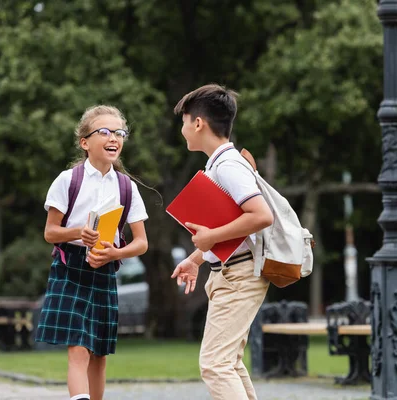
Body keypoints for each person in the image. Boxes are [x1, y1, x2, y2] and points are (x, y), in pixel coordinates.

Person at [36, 105, 149, 400]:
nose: (114, 137)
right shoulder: (67, 181)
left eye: (119, 132)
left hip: (104, 268)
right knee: (78, 346)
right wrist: (78, 233)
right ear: (85, 142)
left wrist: (114, 254)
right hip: (70, 268)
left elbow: (141, 243)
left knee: (99, 352)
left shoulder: (127, 187)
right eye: (105, 131)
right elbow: (50, 232)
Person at [171, 84, 274, 400]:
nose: (183, 129)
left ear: (198, 123)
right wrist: (196, 258)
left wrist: (211, 237)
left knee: (215, 365)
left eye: (185, 121)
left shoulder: (227, 165)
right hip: (232, 273)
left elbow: (261, 216)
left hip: (238, 277)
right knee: (228, 363)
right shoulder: (219, 164)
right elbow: (234, 229)